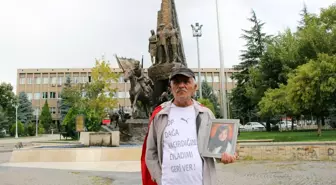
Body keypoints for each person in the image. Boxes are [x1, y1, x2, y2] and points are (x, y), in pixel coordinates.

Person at [141, 67, 237, 185]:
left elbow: (214, 147)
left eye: (186, 82)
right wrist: (158, 177)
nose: (181, 85)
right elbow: (151, 152)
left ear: (195, 87)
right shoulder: (160, 116)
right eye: (176, 82)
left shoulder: (206, 114)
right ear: (170, 88)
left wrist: (225, 155)